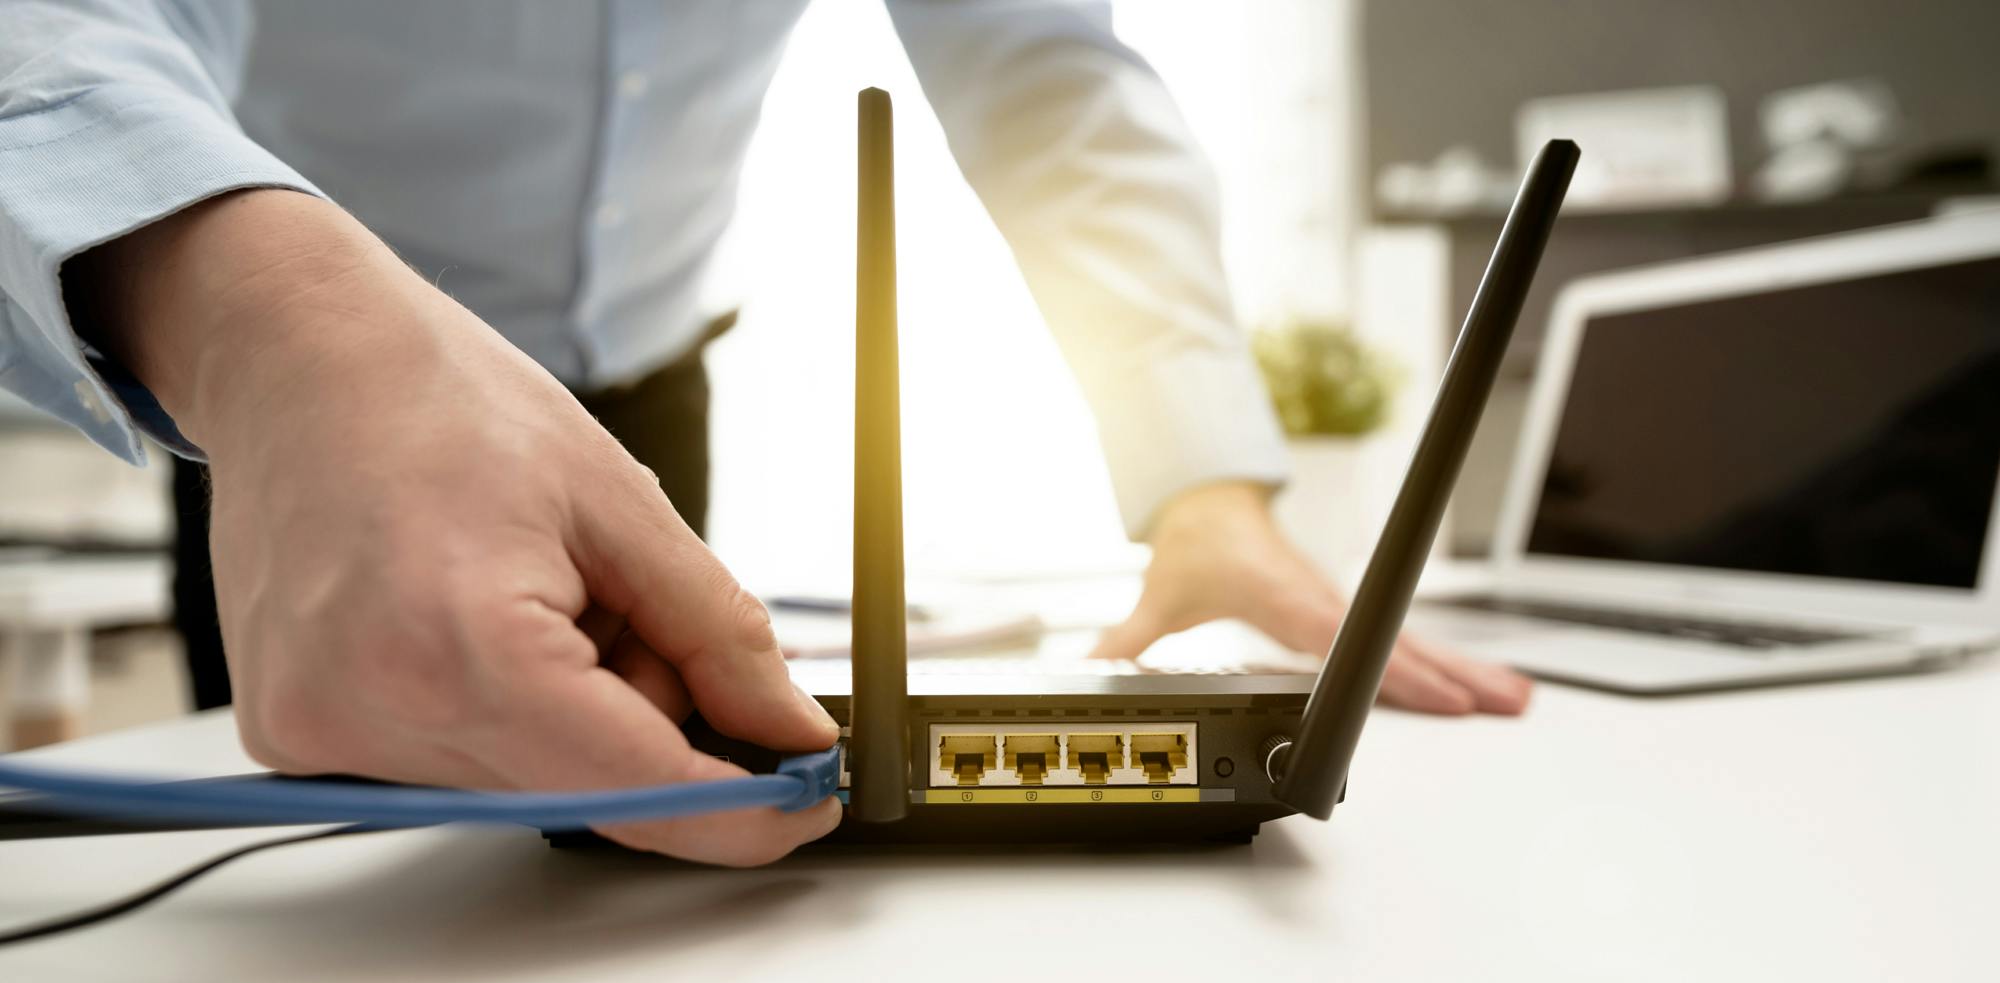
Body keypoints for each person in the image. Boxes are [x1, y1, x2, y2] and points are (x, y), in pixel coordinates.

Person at [0, 1, 1529, 866]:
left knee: (641, 801)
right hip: (301, 387)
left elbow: (1049, 75)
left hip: (655, 381)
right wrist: (269, 324)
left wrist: (1205, 480)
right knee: (387, 875)